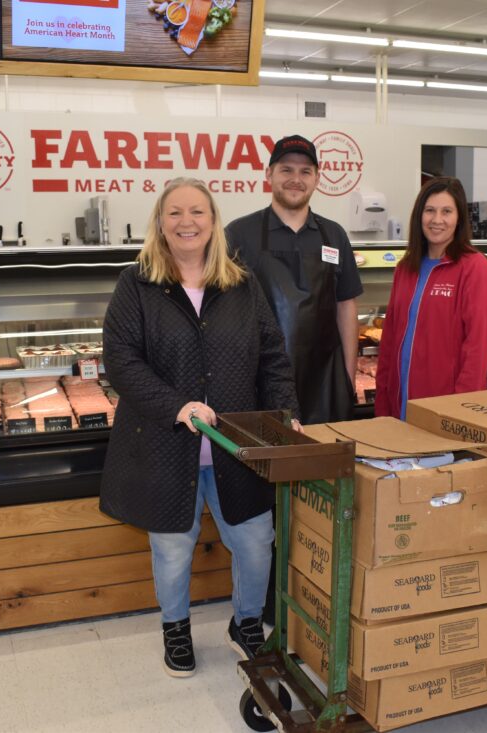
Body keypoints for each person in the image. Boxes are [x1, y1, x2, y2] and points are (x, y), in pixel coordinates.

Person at [100, 178, 300, 679]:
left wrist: (285, 414)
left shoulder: (241, 283)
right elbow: (121, 362)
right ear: (160, 222)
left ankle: (246, 623)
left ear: (213, 221)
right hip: (165, 445)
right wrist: (177, 406)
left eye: (197, 212)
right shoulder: (136, 285)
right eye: (175, 213)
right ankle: (176, 629)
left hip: (237, 446)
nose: (186, 222)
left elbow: (272, 358)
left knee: (255, 542)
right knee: (172, 549)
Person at [225, 134, 363, 425]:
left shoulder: (334, 235)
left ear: (316, 179)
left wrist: (348, 377)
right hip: (261, 383)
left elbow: (346, 306)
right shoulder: (238, 234)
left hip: (325, 385)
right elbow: (221, 314)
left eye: (305, 172)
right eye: (286, 170)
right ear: (269, 174)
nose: (296, 179)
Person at [374, 177, 487, 419]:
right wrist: (382, 406)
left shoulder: (476, 268)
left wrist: (460, 413)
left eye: (447, 211)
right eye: (430, 210)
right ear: (419, 215)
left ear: (459, 218)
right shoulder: (405, 269)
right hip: (398, 408)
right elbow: (388, 342)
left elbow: (477, 350)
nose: (437, 220)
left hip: (445, 412)